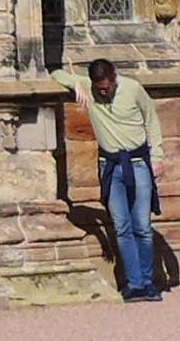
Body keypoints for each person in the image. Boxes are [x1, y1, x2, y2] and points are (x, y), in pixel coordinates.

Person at [64, 57, 162, 301]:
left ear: (114, 78)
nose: (103, 91)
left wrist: (158, 156)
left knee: (142, 225)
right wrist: (75, 85)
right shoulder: (88, 87)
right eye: (99, 88)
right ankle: (134, 283)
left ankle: (149, 283)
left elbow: (152, 121)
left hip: (138, 164)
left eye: (106, 86)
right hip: (109, 166)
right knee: (121, 226)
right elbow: (56, 74)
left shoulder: (133, 89)